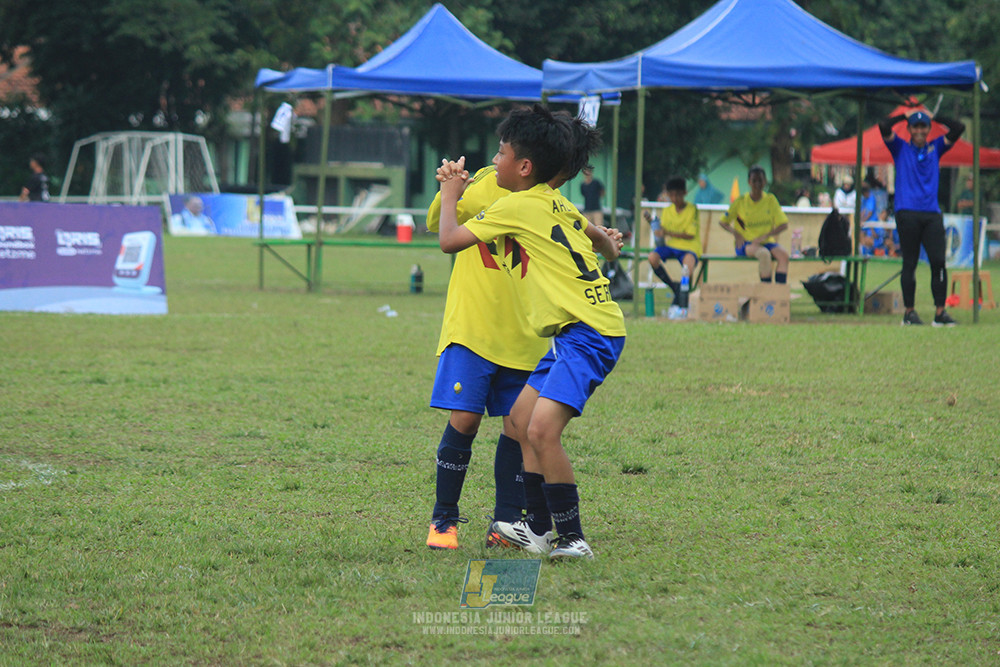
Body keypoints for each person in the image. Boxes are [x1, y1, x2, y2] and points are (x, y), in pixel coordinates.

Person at [436, 105, 626, 559]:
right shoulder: (554, 199)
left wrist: (450, 192)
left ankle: (571, 536)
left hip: (587, 333)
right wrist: (608, 243)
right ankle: (538, 529)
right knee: (520, 420)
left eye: (501, 153)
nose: (494, 160)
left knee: (540, 431)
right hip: (581, 331)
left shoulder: (516, 205)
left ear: (523, 166)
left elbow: (448, 240)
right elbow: (596, 236)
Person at [423, 164, 547, 551]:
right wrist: (451, 188)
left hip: (523, 334)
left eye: (503, 151)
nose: (497, 158)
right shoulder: (483, 182)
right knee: (465, 418)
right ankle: (444, 518)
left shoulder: (547, 200)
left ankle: (507, 523)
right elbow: (436, 221)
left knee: (518, 427)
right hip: (472, 327)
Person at [880, 108, 965, 326]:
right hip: (907, 211)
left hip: (931, 213)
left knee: (938, 261)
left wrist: (935, 117)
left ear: (928, 129)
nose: (919, 130)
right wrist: (904, 116)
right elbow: (884, 126)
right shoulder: (900, 147)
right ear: (909, 129)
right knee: (910, 262)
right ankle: (909, 313)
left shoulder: (935, 147)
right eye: (915, 126)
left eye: (923, 126)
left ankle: (940, 313)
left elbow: (958, 128)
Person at [718, 166, 790, 284]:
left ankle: (779, 292)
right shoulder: (741, 201)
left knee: (784, 256)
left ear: (765, 182)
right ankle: (766, 291)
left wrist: (766, 235)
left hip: (766, 242)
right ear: (749, 182)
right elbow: (723, 222)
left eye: (760, 180)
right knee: (764, 255)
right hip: (746, 243)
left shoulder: (770, 200)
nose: (757, 184)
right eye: (754, 181)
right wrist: (736, 234)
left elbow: (784, 224)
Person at [644, 176, 700, 307]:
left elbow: (690, 235)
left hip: (689, 247)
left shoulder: (692, 210)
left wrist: (666, 232)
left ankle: (683, 301)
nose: (675, 198)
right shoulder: (667, 211)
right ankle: (674, 287)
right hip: (671, 246)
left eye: (678, 195)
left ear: (684, 193)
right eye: (672, 195)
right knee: (652, 257)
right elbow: (662, 233)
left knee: (688, 269)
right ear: (668, 195)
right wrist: (654, 226)